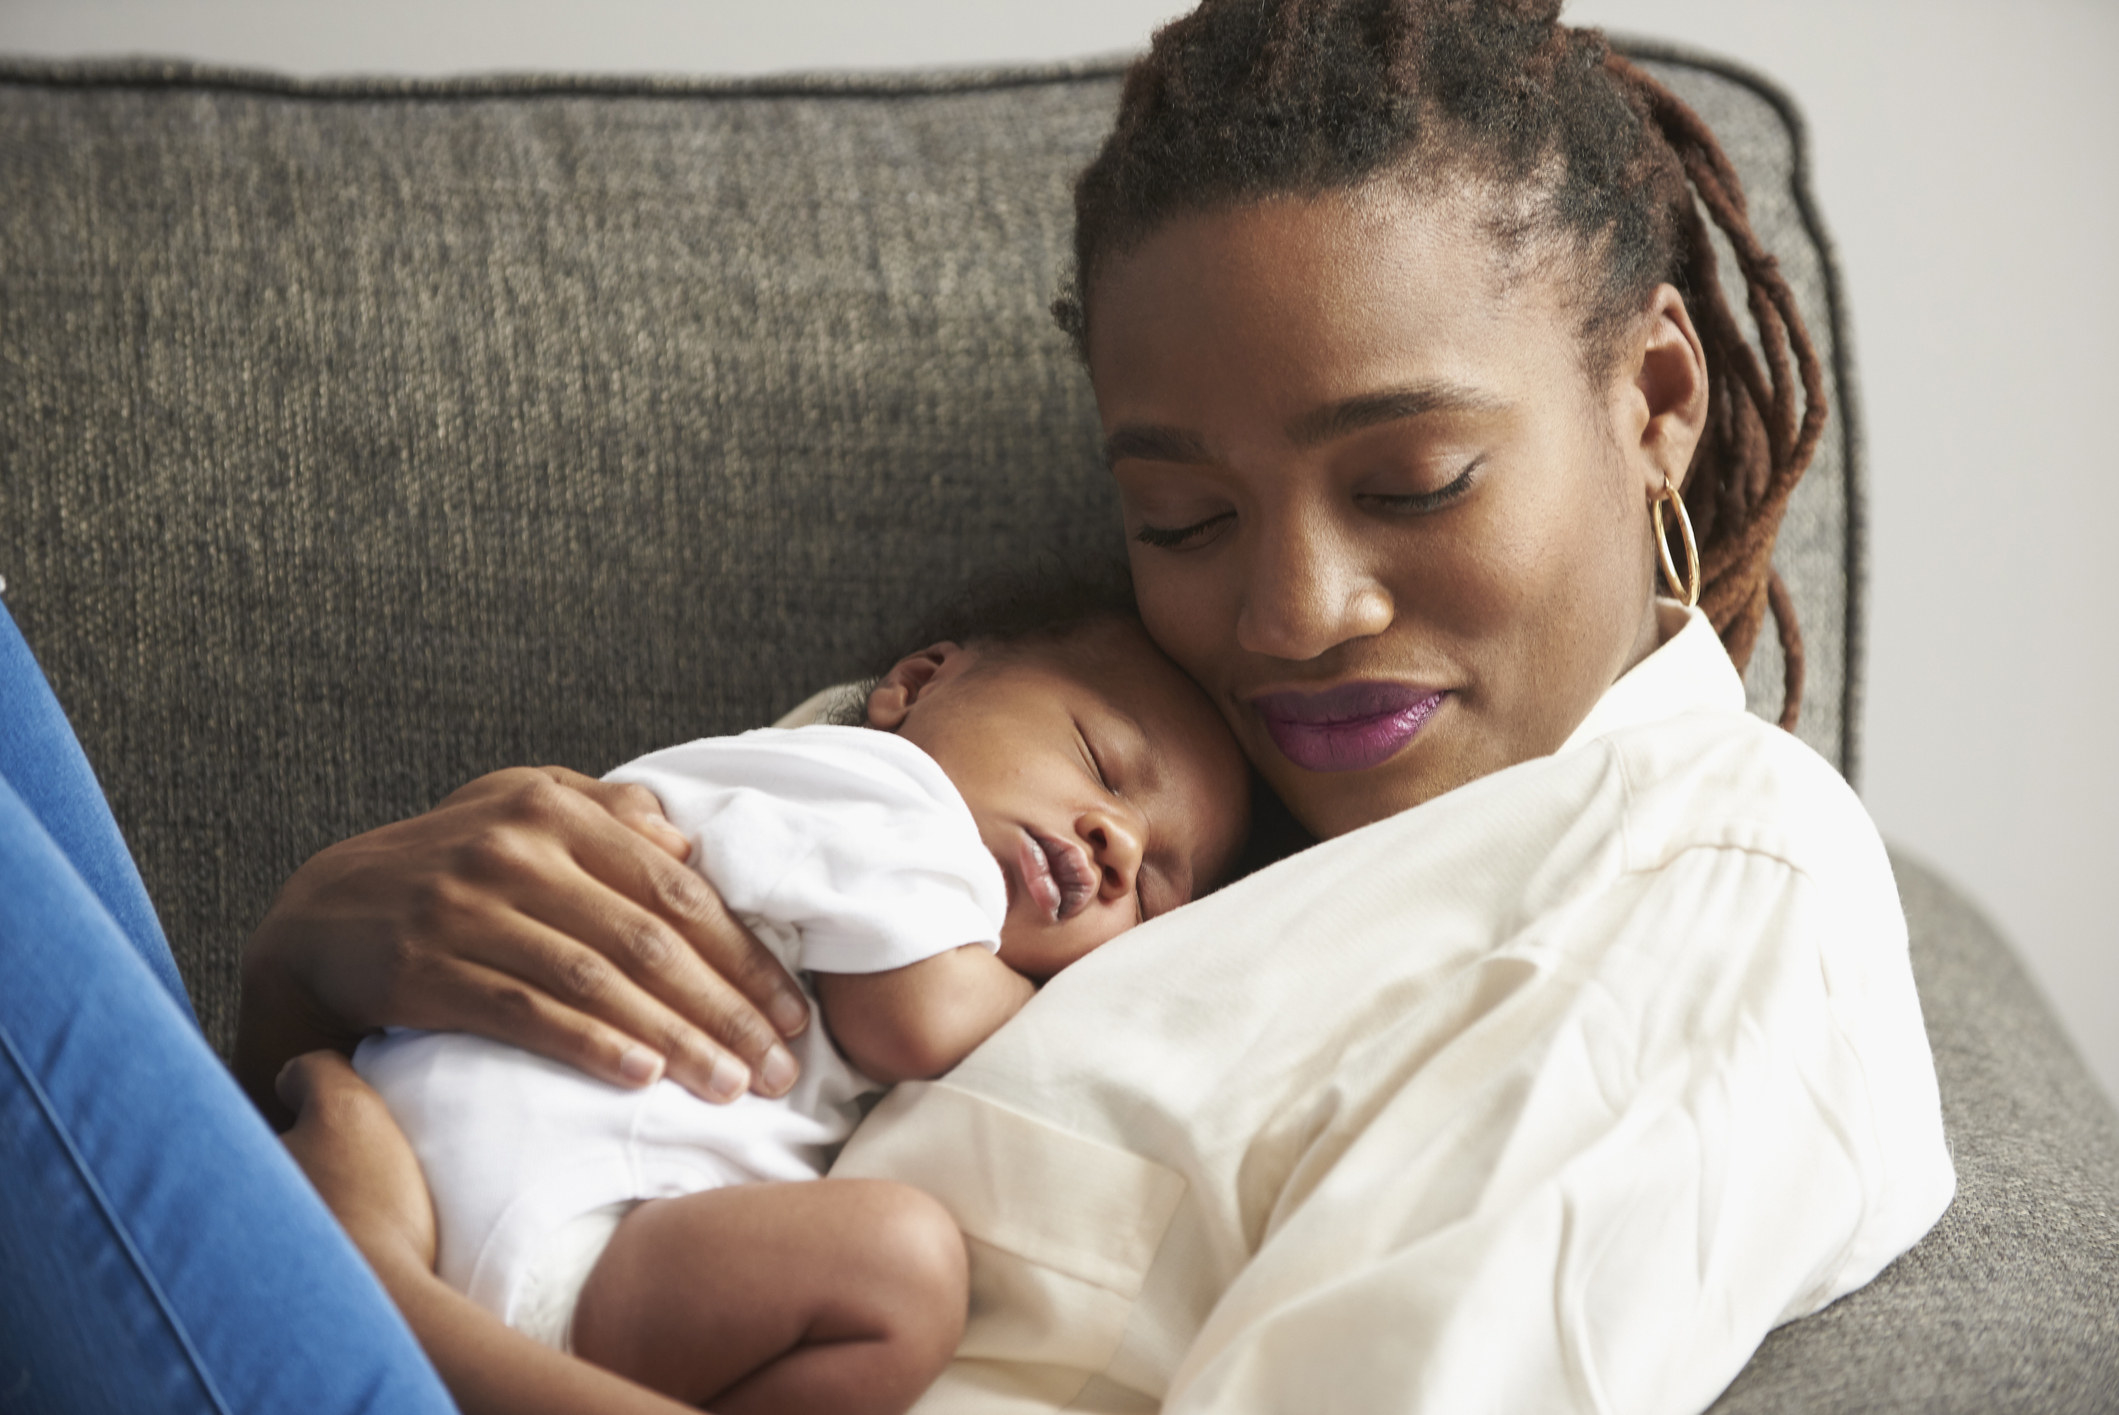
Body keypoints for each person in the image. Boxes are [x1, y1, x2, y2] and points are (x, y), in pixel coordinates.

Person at [1, 2, 1954, 1412]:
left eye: (1412, 477)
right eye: (1179, 513)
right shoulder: (1122, 741)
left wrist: (381, 1292)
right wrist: (318, 955)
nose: (1286, 611)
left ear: (1658, 402)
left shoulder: (1695, 883)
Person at [350, 594, 1250, 1414]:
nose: (1119, 839)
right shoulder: (883, 789)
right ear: (918, 683)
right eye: (1100, 759)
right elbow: (914, 1019)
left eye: (1155, 895)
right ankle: (409, 1317)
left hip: (467, 1162)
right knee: (903, 1266)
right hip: (533, 1192)